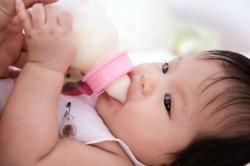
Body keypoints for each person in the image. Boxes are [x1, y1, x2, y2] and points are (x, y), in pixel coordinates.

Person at [0, 0, 250, 165]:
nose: (147, 78)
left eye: (167, 102)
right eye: (166, 68)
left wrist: (45, 66)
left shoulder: (113, 159)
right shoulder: (105, 102)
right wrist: (19, 57)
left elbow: (21, 159)